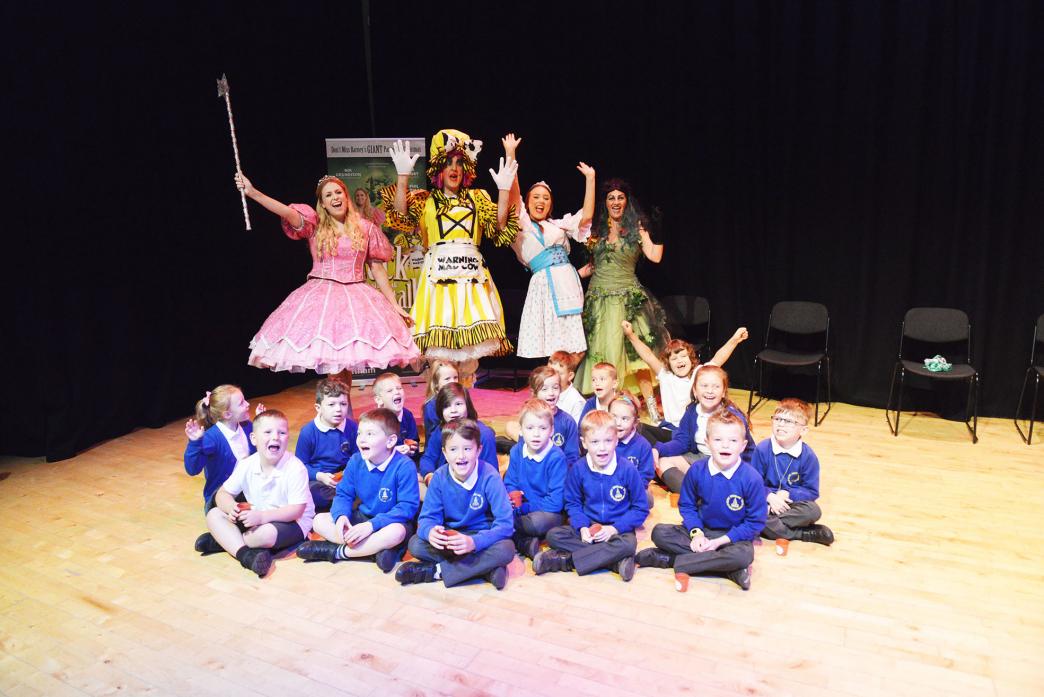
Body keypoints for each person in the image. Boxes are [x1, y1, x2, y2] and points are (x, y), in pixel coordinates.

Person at [235, 172, 420, 391]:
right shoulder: (314, 225)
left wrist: (395, 305)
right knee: (334, 371)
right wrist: (253, 192)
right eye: (328, 194)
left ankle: (345, 415)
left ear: (346, 195)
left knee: (345, 369)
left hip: (356, 298)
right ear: (322, 203)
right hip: (323, 298)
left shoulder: (366, 227)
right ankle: (337, 415)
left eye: (338, 192)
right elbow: (286, 211)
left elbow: (377, 269)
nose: (335, 197)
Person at [383, 131, 520, 386]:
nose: (454, 169)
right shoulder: (426, 201)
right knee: (440, 358)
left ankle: (462, 413)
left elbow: (500, 227)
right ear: (438, 168)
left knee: (468, 360)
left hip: (471, 283)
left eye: (459, 162)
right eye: (448, 162)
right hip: (439, 284)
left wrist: (503, 190)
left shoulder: (478, 198)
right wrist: (402, 177)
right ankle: (438, 412)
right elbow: (400, 217)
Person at [637, 409, 767, 591]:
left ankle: (672, 560)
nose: (725, 446)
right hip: (702, 529)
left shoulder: (751, 478)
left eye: (733, 441)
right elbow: (687, 505)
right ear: (707, 442)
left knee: (743, 555)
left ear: (743, 445)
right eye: (718, 440)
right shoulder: (697, 470)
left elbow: (756, 522)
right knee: (659, 533)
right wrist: (696, 533)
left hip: (732, 537)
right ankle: (729, 570)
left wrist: (720, 541)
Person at [575, 178, 668, 420]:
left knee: (636, 357)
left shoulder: (636, 228)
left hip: (628, 299)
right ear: (605, 203)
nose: (616, 202)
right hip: (598, 300)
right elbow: (594, 266)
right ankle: (602, 407)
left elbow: (655, 256)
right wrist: (567, 276)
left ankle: (651, 407)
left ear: (627, 201)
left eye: (620, 197)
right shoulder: (596, 232)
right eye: (611, 198)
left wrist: (650, 230)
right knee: (600, 355)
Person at [503, 135, 595, 358]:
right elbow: (513, 192)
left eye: (545, 198)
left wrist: (591, 179)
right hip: (543, 287)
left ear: (551, 204)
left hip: (568, 285)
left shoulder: (558, 225)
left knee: (576, 348)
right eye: (535, 197)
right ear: (528, 201)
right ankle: (551, 385)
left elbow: (586, 217)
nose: (541, 201)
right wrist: (511, 153)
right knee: (551, 347)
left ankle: (564, 384)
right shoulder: (521, 223)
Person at [396, 420, 516, 589]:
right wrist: (430, 532)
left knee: (506, 549)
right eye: (453, 449)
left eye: (467, 449)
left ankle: (437, 571)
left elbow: (505, 524)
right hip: (451, 538)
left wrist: (474, 542)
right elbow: (427, 519)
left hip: (480, 536)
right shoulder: (438, 477)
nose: (461, 456)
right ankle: (486, 570)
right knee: (416, 544)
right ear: (444, 453)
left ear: (478, 450)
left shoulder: (490, 476)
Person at [297, 408, 421, 570]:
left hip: (391, 521)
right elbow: (343, 494)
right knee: (319, 520)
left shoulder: (404, 466)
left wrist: (372, 526)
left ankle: (337, 552)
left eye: (370, 434)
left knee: (396, 533)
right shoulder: (356, 461)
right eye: (359, 433)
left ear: (390, 441)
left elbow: (407, 508)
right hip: (363, 517)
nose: (362, 439)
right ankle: (373, 551)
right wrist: (341, 516)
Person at [198, 410, 316, 578]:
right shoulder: (247, 464)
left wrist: (261, 517)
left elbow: (296, 510)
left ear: (287, 438)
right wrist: (232, 507)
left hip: (292, 522)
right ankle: (246, 554)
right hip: (256, 518)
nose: (275, 437)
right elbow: (223, 494)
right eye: (268, 432)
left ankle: (224, 541)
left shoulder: (295, 468)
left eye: (281, 433)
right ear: (253, 439)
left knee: (265, 534)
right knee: (214, 514)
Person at [533, 410, 649, 581]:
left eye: (608, 441)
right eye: (595, 442)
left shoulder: (627, 469)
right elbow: (572, 503)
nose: (602, 448)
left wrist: (614, 528)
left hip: (617, 529)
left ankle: (564, 561)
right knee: (554, 535)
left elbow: (640, 508)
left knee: (629, 545)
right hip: (589, 527)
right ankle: (613, 563)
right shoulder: (578, 468)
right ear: (584, 443)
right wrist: (582, 527)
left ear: (616, 440)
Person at [622, 321, 749, 440]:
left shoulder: (698, 373)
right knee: (640, 431)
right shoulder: (666, 376)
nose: (680, 360)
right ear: (668, 363)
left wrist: (735, 339)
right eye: (674, 358)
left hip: (694, 429)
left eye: (683, 356)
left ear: (691, 359)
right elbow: (648, 356)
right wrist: (631, 335)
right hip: (671, 429)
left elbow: (718, 358)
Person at [655, 365, 755, 494]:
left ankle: (707, 493)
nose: (710, 391)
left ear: (724, 392)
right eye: (704, 386)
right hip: (701, 458)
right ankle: (698, 495)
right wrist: (658, 449)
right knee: (662, 463)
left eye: (716, 386)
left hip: (727, 464)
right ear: (695, 391)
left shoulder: (732, 418)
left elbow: (738, 455)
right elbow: (682, 441)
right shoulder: (692, 410)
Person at [750, 399, 834, 545]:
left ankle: (766, 525)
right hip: (765, 502)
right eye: (778, 419)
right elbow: (752, 484)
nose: (781, 424)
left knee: (813, 511)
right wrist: (769, 497)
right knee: (752, 511)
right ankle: (802, 533)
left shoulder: (808, 456)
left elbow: (811, 492)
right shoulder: (762, 449)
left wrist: (788, 494)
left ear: (803, 430)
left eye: (789, 421)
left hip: (788, 504)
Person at [503, 399, 568, 560]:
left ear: (551, 430)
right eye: (530, 428)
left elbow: (555, 502)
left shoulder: (556, 457)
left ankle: (514, 535)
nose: (536, 434)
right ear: (521, 430)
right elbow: (510, 481)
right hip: (522, 509)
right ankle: (525, 543)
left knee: (536, 523)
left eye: (543, 428)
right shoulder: (517, 450)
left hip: (547, 512)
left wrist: (525, 508)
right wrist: (511, 496)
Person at [184, 385, 260, 514]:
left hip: (247, 492)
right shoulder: (211, 438)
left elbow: (260, 455)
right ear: (227, 414)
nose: (247, 404)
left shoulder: (247, 426)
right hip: (221, 499)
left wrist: (262, 423)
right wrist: (195, 443)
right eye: (241, 403)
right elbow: (192, 469)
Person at [295, 378, 358, 513]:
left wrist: (348, 473)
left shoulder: (352, 427)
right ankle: (345, 503)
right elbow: (300, 466)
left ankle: (345, 501)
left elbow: (358, 457)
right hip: (320, 480)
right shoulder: (308, 432)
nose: (338, 410)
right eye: (331, 404)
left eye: (343, 404)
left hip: (346, 477)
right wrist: (320, 476)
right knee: (315, 494)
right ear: (318, 408)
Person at [418, 383, 498, 483]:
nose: (453, 411)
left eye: (458, 404)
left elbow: (492, 475)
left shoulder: (484, 435)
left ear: (467, 406)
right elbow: (428, 458)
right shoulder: (441, 430)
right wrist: (429, 476)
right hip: (444, 483)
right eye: (446, 406)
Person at [502, 366, 580, 467]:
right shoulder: (528, 418)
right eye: (544, 389)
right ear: (534, 393)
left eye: (555, 387)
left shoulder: (568, 421)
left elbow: (572, 458)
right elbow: (522, 452)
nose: (551, 393)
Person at [608, 395, 655, 508]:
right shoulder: (603, 439)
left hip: (631, 488)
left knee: (647, 499)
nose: (618, 423)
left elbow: (645, 474)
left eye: (625, 419)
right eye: (614, 417)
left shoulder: (643, 445)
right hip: (604, 485)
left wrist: (629, 488)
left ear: (635, 422)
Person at [371, 372, 420, 460]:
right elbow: (372, 451)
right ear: (379, 400)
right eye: (390, 391)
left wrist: (410, 448)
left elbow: (415, 443)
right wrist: (392, 452)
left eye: (399, 388)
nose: (396, 392)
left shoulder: (407, 415)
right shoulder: (374, 422)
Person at [421, 360, 458, 442]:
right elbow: (437, 435)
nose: (453, 382)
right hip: (439, 447)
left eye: (455, 377)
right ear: (436, 383)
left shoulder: (460, 398)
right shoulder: (431, 405)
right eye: (447, 379)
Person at [549, 350, 585, 425]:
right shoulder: (545, 392)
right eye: (550, 372)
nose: (554, 377)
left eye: (559, 373)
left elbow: (575, 429)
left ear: (570, 376)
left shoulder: (576, 402)